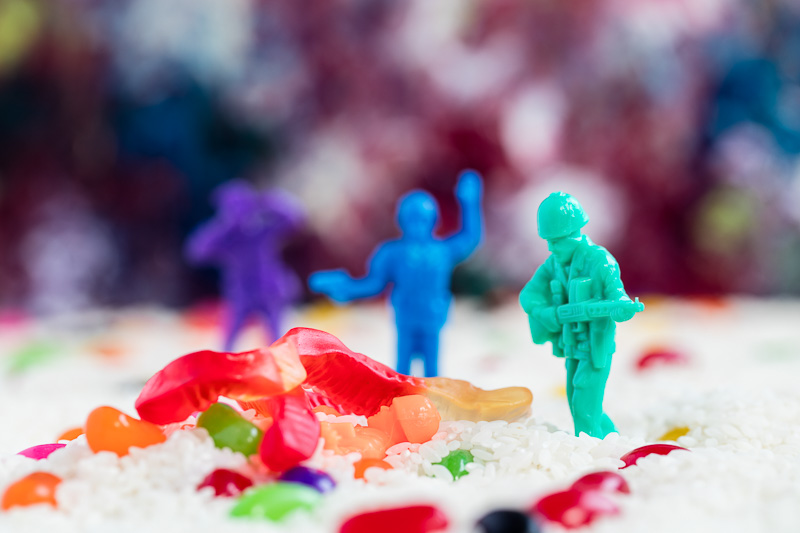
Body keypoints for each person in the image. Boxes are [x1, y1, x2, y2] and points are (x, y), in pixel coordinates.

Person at [309, 170, 484, 377]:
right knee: (402, 371)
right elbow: (373, 284)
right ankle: (402, 402)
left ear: (433, 221)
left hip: (432, 317)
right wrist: (346, 288)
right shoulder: (391, 253)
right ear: (401, 220)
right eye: (411, 219)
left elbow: (470, 237)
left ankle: (432, 404)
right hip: (406, 318)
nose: (417, 224)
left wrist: (470, 203)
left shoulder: (442, 251)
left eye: (423, 219)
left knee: (432, 372)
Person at [519, 192, 643, 438]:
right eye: (549, 241)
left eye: (557, 241)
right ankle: (612, 439)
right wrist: (550, 314)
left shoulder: (600, 261)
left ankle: (590, 457)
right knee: (577, 403)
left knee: (584, 405)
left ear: (574, 234)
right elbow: (528, 296)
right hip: (572, 344)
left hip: (595, 345)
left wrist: (622, 307)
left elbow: (618, 297)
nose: (552, 247)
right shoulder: (554, 264)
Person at [186, 181, 304, 351]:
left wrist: (271, 203)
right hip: (241, 293)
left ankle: (279, 361)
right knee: (231, 334)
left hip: (267, 290)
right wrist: (223, 226)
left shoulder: (262, 230)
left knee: (276, 334)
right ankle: (225, 360)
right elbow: (197, 251)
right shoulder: (228, 237)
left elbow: (294, 220)